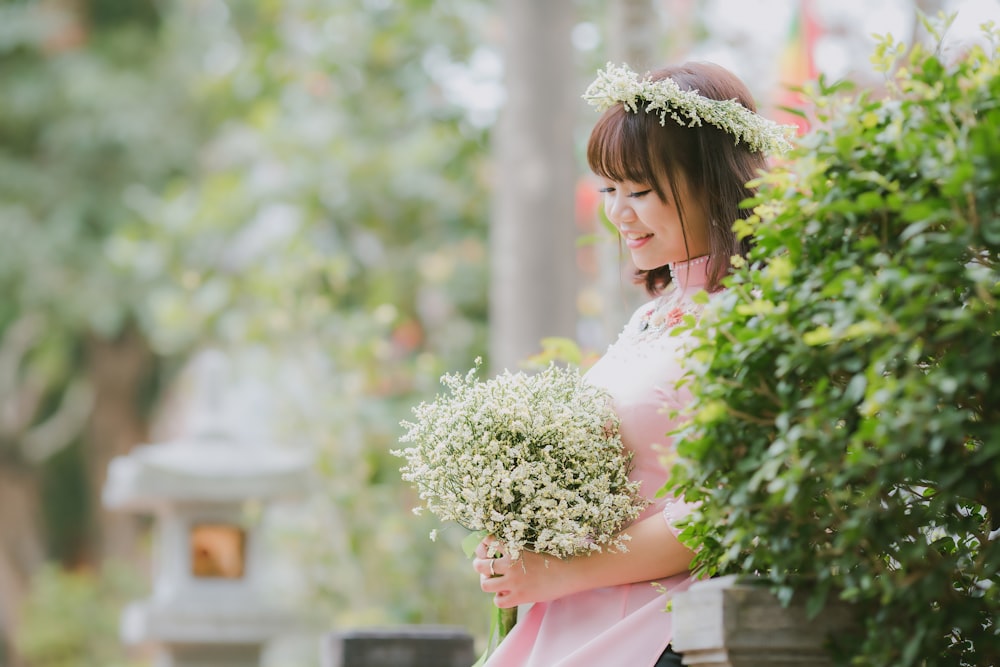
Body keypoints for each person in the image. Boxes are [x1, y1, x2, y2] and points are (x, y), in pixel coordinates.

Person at [471, 60, 793, 666]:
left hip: (662, 626)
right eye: (610, 190)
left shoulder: (757, 317)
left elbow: (723, 508)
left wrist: (557, 571)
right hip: (572, 613)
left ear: (715, 181)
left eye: (641, 191)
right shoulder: (653, 313)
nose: (620, 214)